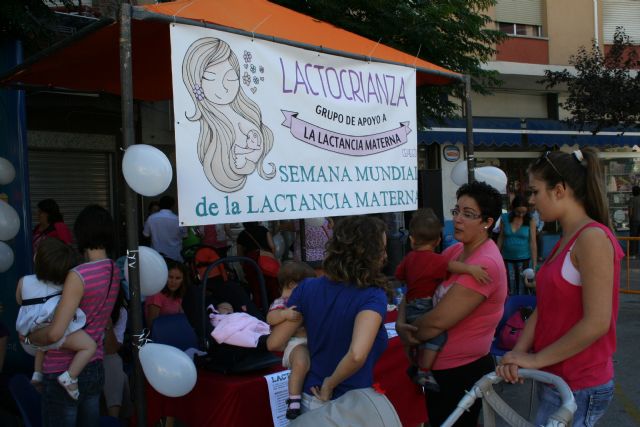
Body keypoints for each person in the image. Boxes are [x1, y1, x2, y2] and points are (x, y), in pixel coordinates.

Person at [496, 149, 623, 426]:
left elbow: (597, 322)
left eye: (535, 191)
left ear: (560, 190)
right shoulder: (566, 238)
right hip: (556, 378)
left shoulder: (592, 238)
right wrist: (518, 354)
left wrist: (536, 359)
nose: (531, 201)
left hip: (579, 383)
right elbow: (545, 308)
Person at [396, 181, 507, 427]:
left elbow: (437, 323)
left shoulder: (485, 264)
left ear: (487, 222)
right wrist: (402, 323)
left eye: (468, 214)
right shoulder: (454, 251)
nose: (457, 219)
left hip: (460, 371)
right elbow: (415, 286)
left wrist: (408, 334)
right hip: (436, 368)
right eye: (456, 211)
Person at [267, 216, 390, 416]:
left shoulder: (307, 288)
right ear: (367, 253)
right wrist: (330, 383)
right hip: (349, 403)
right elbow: (357, 354)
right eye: (381, 249)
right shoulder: (372, 295)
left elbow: (274, 343)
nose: (385, 256)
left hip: (309, 399)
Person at [24, 204, 120, 427]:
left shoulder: (79, 275)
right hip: (94, 365)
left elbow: (56, 332)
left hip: (62, 369)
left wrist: (31, 337)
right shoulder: (114, 269)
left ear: (81, 232)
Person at [396, 208, 491, 392]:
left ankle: (414, 364)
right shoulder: (435, 260)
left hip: (409, 306)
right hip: (424, 304)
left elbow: (400, 275)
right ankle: (424, 371)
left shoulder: (408, 259)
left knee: (413, 337)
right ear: (438, 240)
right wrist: (472, 270)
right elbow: (451, 266)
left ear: (412, 239)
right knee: (438, 336)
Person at [182, 37, 275, 192]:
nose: (224, 87)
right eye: (210, 78)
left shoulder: (245, 121)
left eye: (231, 78)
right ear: (196, 82)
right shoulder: (209, 127)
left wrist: (246, 156)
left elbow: (253, 153)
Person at [16, 238, 96, 400]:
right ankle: (70, 376)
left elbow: (20, 301)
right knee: (89, 346)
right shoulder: (65, 284)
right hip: (56, 329)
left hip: (31, 328)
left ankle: (37, 374)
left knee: (42, 344)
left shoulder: (24, 281)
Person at [266, 261, 317, 420]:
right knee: (301, 363)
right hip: (295, 344)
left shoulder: (308, 302)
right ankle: (294, 400)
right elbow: (270, 317)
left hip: (310, 342)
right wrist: (283, 315)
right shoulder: (282, 303)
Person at [497, 195, 538, 294]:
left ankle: (524, 309)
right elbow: (501, 237)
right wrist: (496, 257)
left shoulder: (530, 220)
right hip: (507, 260)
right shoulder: (504, 218)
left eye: (524, 212)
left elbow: (533, 243)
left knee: (524, 288)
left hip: (524, 261)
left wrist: (534, 265)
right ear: (512, 208)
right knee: (509, 288)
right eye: (518, 212)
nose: (520, 215)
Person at [103, 288, 131, 419]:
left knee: (114, 361)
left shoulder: (120, 312)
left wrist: (108, 325)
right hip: (79, 355)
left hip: (105, 355)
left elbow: (111, 349)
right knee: (123, 379)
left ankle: (113, 420)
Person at [145, 260, 188, 328]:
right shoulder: (156, 295)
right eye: (170, 277)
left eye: (178, 278)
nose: (173, 281)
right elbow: (152, 326)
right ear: (164, 276)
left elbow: (182, 319)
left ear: (183, 280)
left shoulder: (179, 295)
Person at [143, 195, 186, 262]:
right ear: (173, 206)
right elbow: (185, 236)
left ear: (160, 205)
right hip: (175, 256)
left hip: (157, 256)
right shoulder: (179, 220)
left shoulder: (151, 218)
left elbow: (146, 235)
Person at [628, 185, 640, 257]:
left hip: (634, 221)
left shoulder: (632, 200)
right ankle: (638, 253)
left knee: (633, 237)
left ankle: (633, 254)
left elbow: (630, 212)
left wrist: (630, 220)